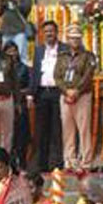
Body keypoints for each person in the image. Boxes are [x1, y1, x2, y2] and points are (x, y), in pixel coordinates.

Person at [55, 25, 96, 170]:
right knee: (67, 129)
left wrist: (77, 91)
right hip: (65, 95)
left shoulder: (88, 56)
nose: (75, 41)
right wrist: (66, 91)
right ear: (67, 39)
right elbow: (57, 76)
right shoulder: (62, 56)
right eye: (72, 38)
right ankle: (69, 160)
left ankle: (86, 161)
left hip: (82, 95)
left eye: (77, 38)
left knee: (83, 128)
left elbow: (88, 75)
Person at [30, 21, 67, 172]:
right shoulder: (39, 50)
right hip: (42, 93)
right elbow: (35, 72)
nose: (49, 34)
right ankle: (42, 164)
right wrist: (31, 94)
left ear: (57, 32)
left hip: (58, 92)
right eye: (46, 32)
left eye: (51, 31)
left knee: (57, 130)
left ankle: (57, 164)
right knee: (41, 130)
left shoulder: (64, 49)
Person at [0, 0, 33, 65]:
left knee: (21, 56)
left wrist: (14, 2)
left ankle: (21, 77)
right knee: (5, 55)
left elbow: (27, 9)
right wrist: (0, 4)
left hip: (19, 31)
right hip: (6, 31)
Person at [5, 41, 31, 166]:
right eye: (8, 51)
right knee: (9, 134)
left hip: (20, 104)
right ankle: (9, 161)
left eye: (13, 50)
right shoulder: (2, 67)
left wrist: (19, 92)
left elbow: (30, 86)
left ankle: (22, 161)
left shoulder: (24, 68)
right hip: (6, 102)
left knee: (22, 134)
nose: (11, 53)